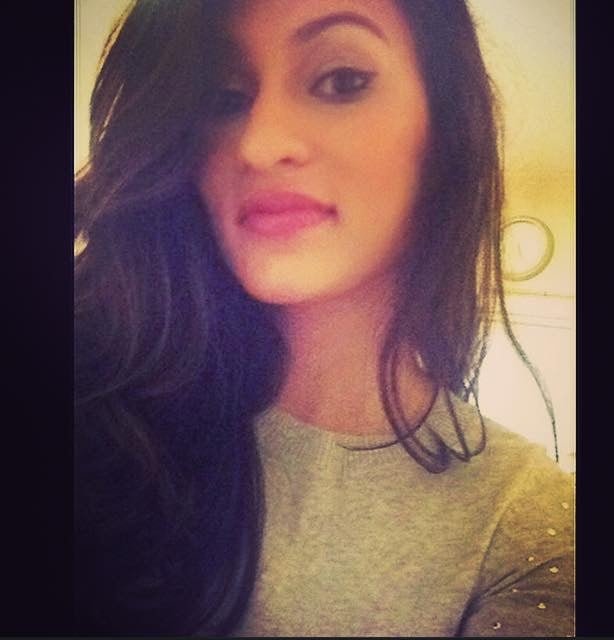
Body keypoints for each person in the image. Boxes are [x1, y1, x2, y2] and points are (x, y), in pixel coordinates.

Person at [74, 0, 574, 636]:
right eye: (223, 98)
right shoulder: (98, 393)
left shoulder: (525, 524)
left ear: (445, 132)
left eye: (342, 81)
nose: (259, 145)